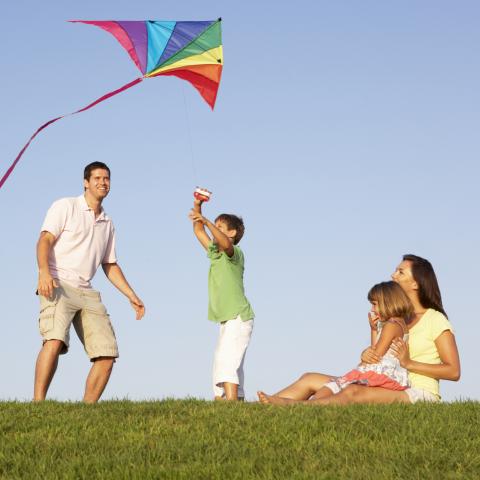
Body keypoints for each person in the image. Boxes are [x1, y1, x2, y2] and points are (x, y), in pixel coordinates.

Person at [257, 255, 460, 405]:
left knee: (353, 392)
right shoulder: (395, 319)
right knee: (309, 378)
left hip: (418, 392)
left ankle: (295, 406)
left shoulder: (435, 319)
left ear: (415, 283)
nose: (393, 274)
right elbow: (380, 354)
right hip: (385, 381)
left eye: (400, 272)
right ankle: (262, 407)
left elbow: (453, 371)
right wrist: (366, 352)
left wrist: (409, 363)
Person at [34, 162, 145, 403]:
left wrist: (131, 295)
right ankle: (38, 404)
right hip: (57, 282)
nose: (102, 182)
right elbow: (45, 240)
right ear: (86, 182)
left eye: (106, 178)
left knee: (107, 355)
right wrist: (44, 272)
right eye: (97, 178)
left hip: (86, 290)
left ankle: (87, 411)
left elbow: (110, 264)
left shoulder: (107, 223)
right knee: (54, 340)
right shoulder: (66, 206)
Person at [189, 191, 254, 401]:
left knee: (227, 361)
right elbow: (199, 231)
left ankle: (229, 404)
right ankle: (230, 400)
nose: (214, 231)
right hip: (227, 318)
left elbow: (225, 244)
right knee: (225, 360)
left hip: (239, 316)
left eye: (220, 228)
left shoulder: (234, 253)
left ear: (233, 233)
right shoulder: (215, 254)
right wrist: (198, 207)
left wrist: (208, 221)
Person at [310, 281, 412, 401]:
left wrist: (362, 362)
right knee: (331, 388)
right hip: (381, 371)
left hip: (382, 373)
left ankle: (306, 406)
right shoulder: (398, 324)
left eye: (374, 304)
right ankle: (311, 406)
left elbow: (375, 355)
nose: (372, 309)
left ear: (387, 302)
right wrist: (374, 330)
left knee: (330, 389)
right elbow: (376, 351)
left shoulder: (392, 325)